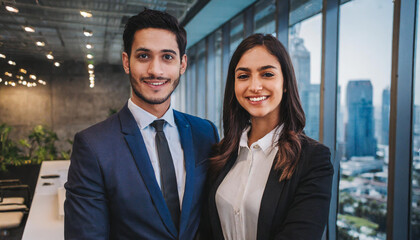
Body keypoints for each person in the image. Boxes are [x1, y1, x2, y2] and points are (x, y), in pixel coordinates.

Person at [64, 9, 219, 240]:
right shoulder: (94, 145)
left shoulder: (205, 132)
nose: (155, 70)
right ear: (127, 61)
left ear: (182, 64)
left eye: (167, 57)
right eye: (144, 56)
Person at [200, 34, 333, 240]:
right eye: (243, 76)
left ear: (285, 82)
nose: (254, 86)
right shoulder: (221, 153)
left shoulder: (313, 159)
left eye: (267, 74)